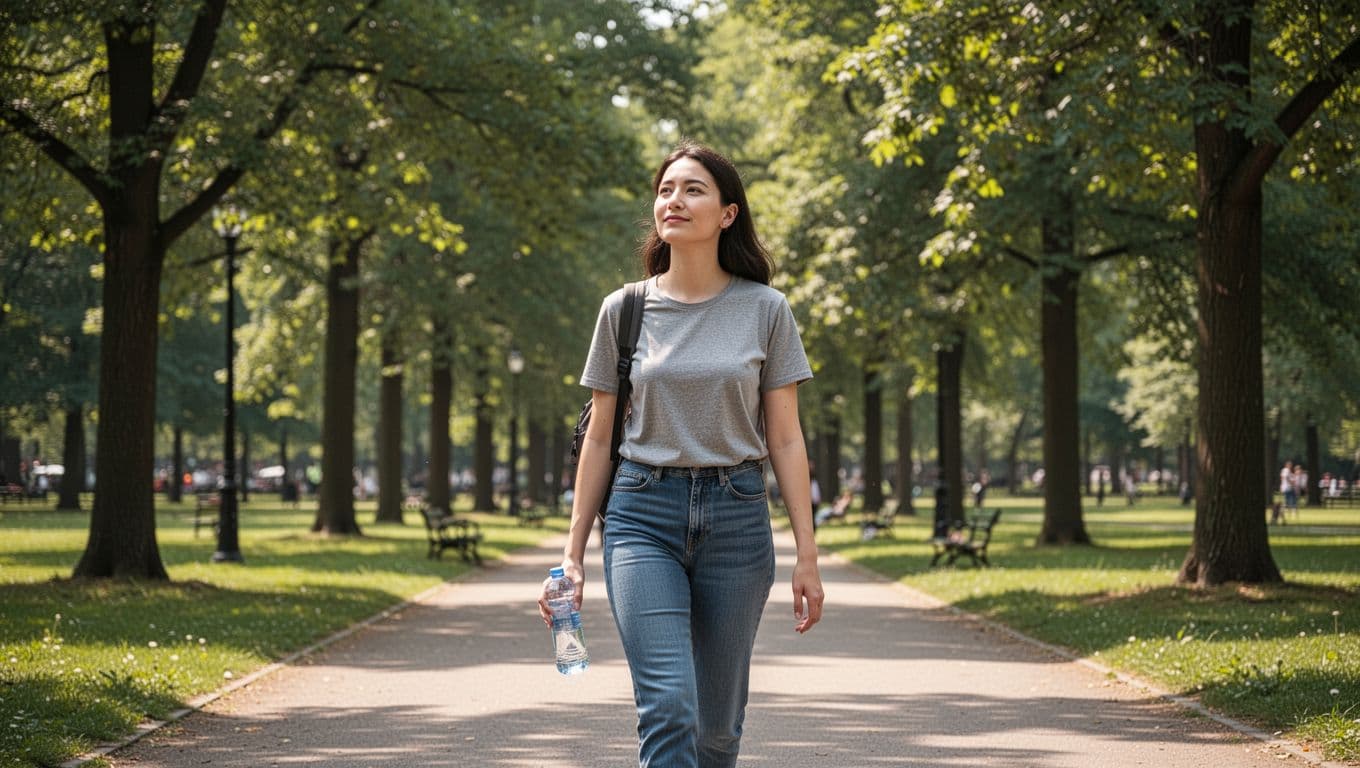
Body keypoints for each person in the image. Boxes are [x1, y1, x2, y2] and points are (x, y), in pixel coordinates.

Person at [539, 140, 824, 768]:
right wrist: (572, 554)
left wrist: (807, 553)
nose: (675, 200)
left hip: (738, 518)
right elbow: (600, 435)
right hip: (643, 514)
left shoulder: (766, 310)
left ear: (727, 213)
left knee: (717, 730)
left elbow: (785, 438)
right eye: (667, 189)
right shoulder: (625, 308)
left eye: (693, 189)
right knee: (669, 706)